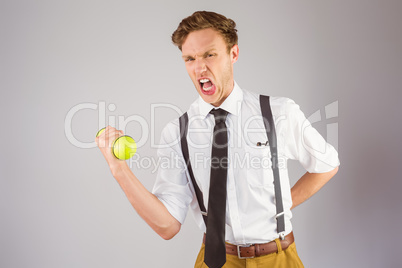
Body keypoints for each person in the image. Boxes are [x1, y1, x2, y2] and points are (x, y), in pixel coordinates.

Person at [96, 11, 339, 268]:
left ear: (233, 54)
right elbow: (167, 226)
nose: (199, 67)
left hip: (278, 258)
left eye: (209, 54)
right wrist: (119, 169)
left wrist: (282, 205)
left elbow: (327, 165)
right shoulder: (177, 133)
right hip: (216, 260)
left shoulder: (278, 113)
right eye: (190, 58)